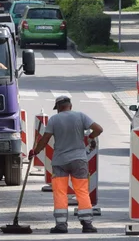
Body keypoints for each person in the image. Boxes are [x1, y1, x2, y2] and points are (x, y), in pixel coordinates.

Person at [30, 95, 103, 233]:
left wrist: (35, 151)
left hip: (60, 162)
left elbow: (45, 139)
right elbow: (99, 129)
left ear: (58, 107)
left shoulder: (54, 119)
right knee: (81, 191)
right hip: (79, 160)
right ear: (70, 105)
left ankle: (61, 225)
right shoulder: (81, 116)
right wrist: (90, 137)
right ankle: (87, 224)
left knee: (60, 193)